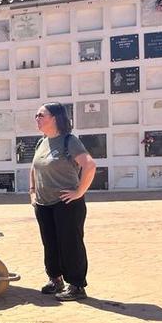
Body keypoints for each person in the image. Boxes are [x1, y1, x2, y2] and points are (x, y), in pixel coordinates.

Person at [29, 102, 96, 301]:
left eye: (41, 115)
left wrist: (79, 191)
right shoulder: (42, 142)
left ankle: (76, 285)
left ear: (55, 118)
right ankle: (55, 279)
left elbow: (89, 165)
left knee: (70, 244)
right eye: (37, 115)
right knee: (50, 243)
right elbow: (34, 168)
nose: (37, 119)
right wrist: (32, 192)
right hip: (43, 204)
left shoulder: (69, 141)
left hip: (66, 204)